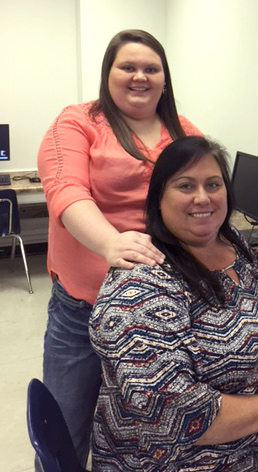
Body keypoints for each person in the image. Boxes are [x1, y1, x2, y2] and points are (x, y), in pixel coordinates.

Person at [89, 136, 258, 472]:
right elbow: (179, 417)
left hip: (250, 439)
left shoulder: (230, 241)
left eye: (213, 184)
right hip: (175, 461)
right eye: (185, 186)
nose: (202, 198)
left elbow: (251, 309)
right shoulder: (138, 287)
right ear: (158, 199)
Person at [37, 29, 201, 467]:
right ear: (108, 73)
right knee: (66, 433)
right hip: (83, 306)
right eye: (127, 67)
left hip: (158, 312)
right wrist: (111, 243)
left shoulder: (184, 133)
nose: (139, 77)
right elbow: (66, 193)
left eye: (151, 68)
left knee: (145, 432)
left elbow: (203, 205)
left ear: (165, 78)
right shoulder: (76, 122)